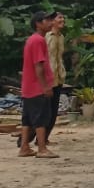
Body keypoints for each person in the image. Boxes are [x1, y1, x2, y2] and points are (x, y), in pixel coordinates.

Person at [17, 11, 58, 159]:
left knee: (27, 119)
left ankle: (24, 147)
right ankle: (42, 148)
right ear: (38, 24)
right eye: (47, 20)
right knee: (41, 118)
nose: (50, 22)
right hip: (36, 88)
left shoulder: (31, 40)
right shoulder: (38, 41)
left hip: (28, 87)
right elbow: (39, 66)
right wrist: (45, 86)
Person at [44, 11, 67, 140]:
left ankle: (45, 138)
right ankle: (31, 138)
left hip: (58, 77)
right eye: (60, 17)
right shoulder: (46, 36)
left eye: (63, 18)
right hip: (48, 78)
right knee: (45, 110)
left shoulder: (62, 37)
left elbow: (59, 57)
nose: (62, 20)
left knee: (53, 111)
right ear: (52, 21)